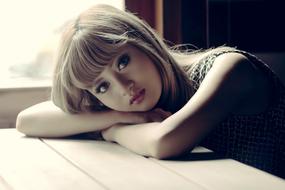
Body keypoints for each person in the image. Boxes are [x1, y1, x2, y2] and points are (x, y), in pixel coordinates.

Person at [16, 4, 285, 178]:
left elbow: (164, 142)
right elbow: (27, 121)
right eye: (102, 86)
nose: (123, 88)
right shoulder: (140, 107)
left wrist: (114, 130)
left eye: (123, 61)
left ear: (143, 41)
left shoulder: (230, 68)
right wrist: (117, 116)